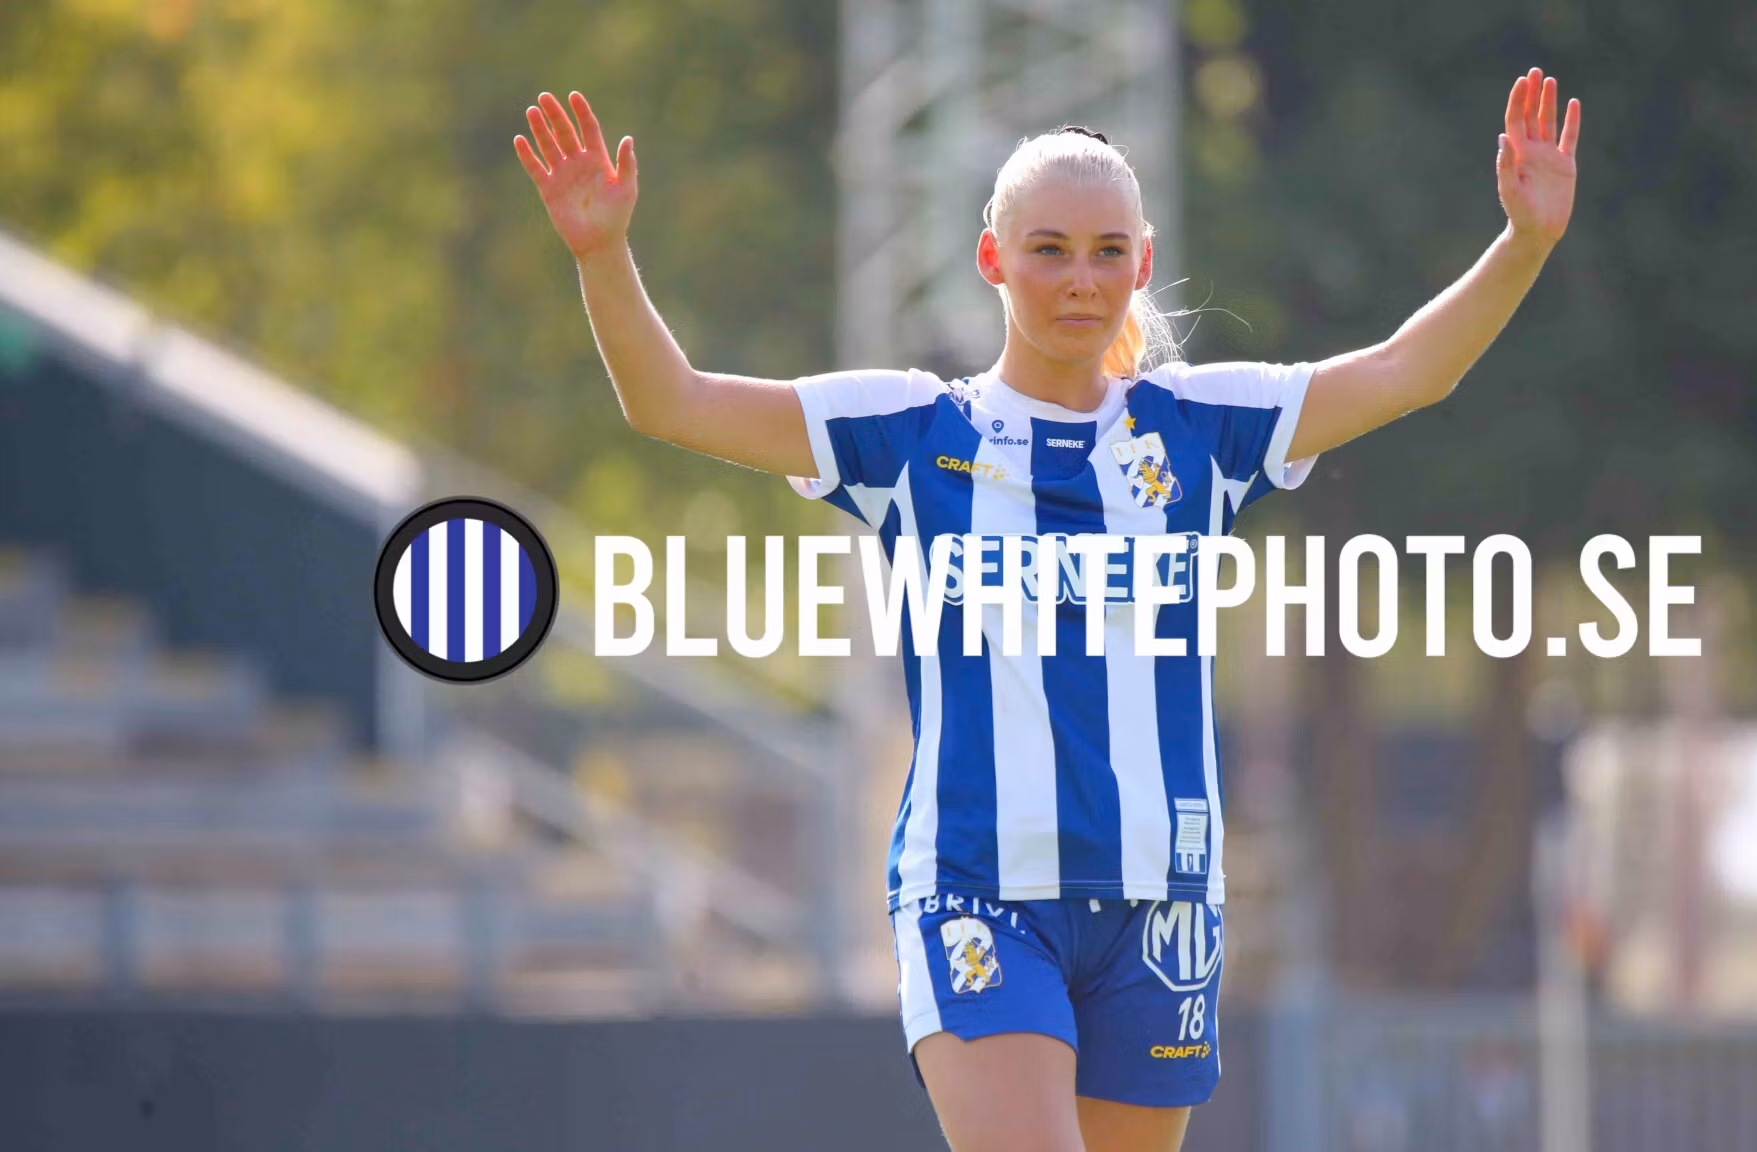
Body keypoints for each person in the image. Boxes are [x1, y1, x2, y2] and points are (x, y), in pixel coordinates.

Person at [516, 68, 1579, 1152]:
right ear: (992, 258)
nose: (1080, 280)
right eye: (1049, 249)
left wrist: (1523, 244)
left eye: (1108, 252)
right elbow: (672, 401)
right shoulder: (903, 430)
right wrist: (603, 255)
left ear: (1143, 263)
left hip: (1159, 908)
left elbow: (1407, 372)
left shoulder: (1201, 428)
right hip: (979, 893)